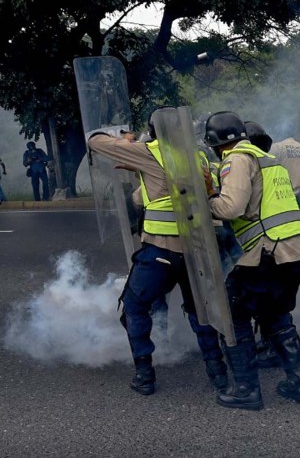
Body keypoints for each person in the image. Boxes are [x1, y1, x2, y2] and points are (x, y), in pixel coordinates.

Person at [86, 117, 228, 397]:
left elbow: (95, 142)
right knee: (200, 309)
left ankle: (145, 375)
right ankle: (219, 374)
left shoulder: (151, 151)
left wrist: (125, 139)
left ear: (154, 134)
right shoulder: (197, 155)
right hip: (196, 249)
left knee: (134, 306)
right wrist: (140, 170)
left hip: (161, 251)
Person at [202, 111, 300, 411]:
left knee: (232, 312)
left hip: (270, 252)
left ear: (214, 142)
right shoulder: (268, 159)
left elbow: (231, 207)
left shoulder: (236, 158)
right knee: (276, 315)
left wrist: (208, 195)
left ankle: (246, 390)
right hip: (296, 249)